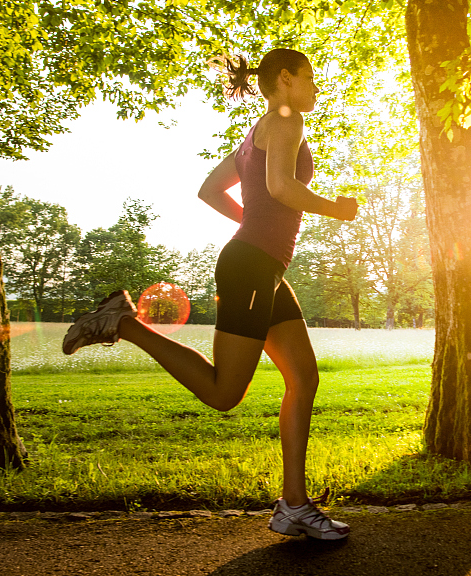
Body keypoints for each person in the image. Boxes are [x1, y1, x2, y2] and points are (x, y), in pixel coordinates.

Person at [61, 48, 358, 541]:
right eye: (310, 78)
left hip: (260, 264)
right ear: (284, 79)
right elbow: (281, 187)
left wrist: (256, 224)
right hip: (252, 266)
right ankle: (123, 322)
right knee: (224, 393)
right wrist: (335, 208)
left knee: (303, 378)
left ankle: (294, 505)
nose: (315, 88)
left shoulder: (255, 133)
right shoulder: (286, 120)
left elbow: (210, 190)